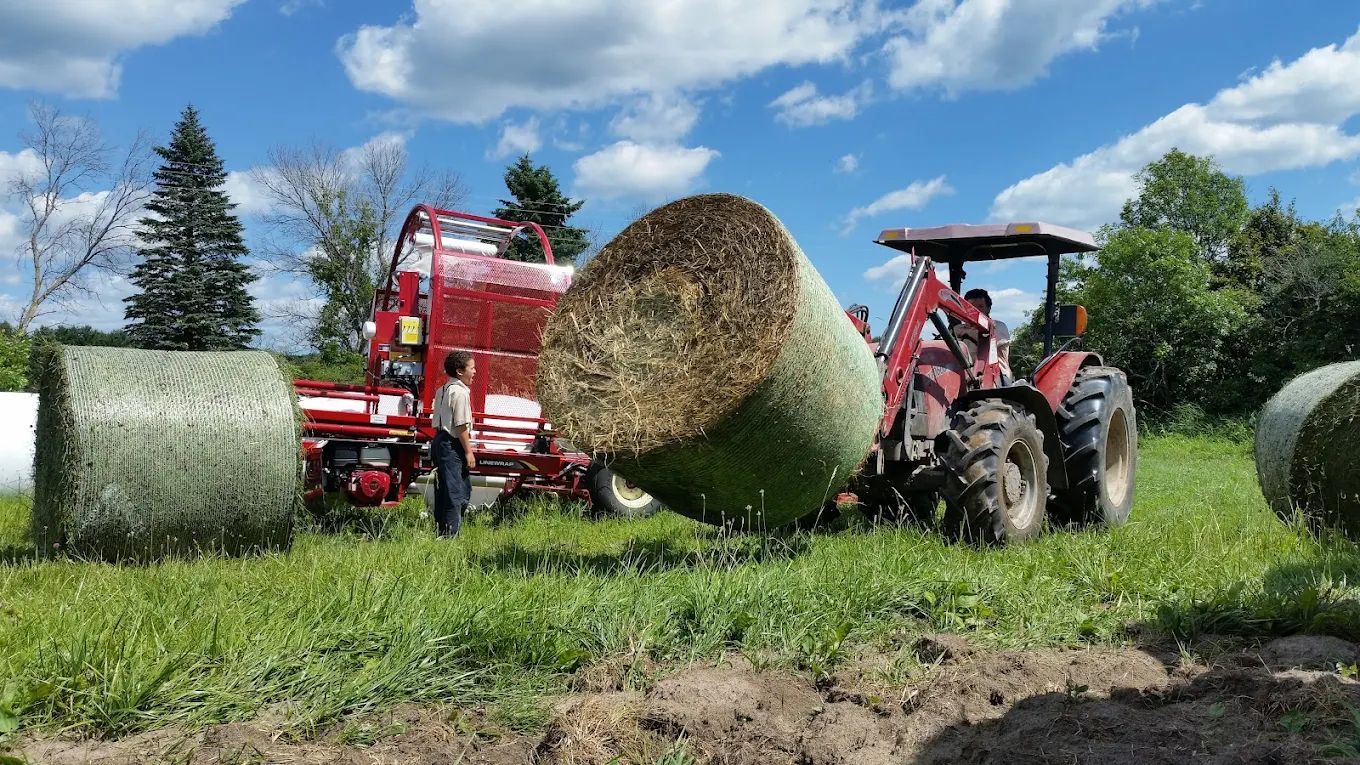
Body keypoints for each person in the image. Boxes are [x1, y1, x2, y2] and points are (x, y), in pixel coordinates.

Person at [431, 351, 476, 538]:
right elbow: (460, 425)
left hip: (440, 441)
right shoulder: (459, 392)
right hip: (452, 443)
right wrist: (468, 452)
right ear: (459, 371)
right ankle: (450, 536)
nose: (475, 372)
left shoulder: (443, 389)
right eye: (472, 368)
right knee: (455, 491)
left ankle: (442, 531)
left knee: (449, 489)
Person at [959, 288, 1012, 383]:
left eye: (981, 307)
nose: (975, 310)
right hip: (963, 377)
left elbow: (980, 340)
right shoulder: (958, 329)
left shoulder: (998, 326)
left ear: (988, 308)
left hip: (997, 380)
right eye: (971, 306)